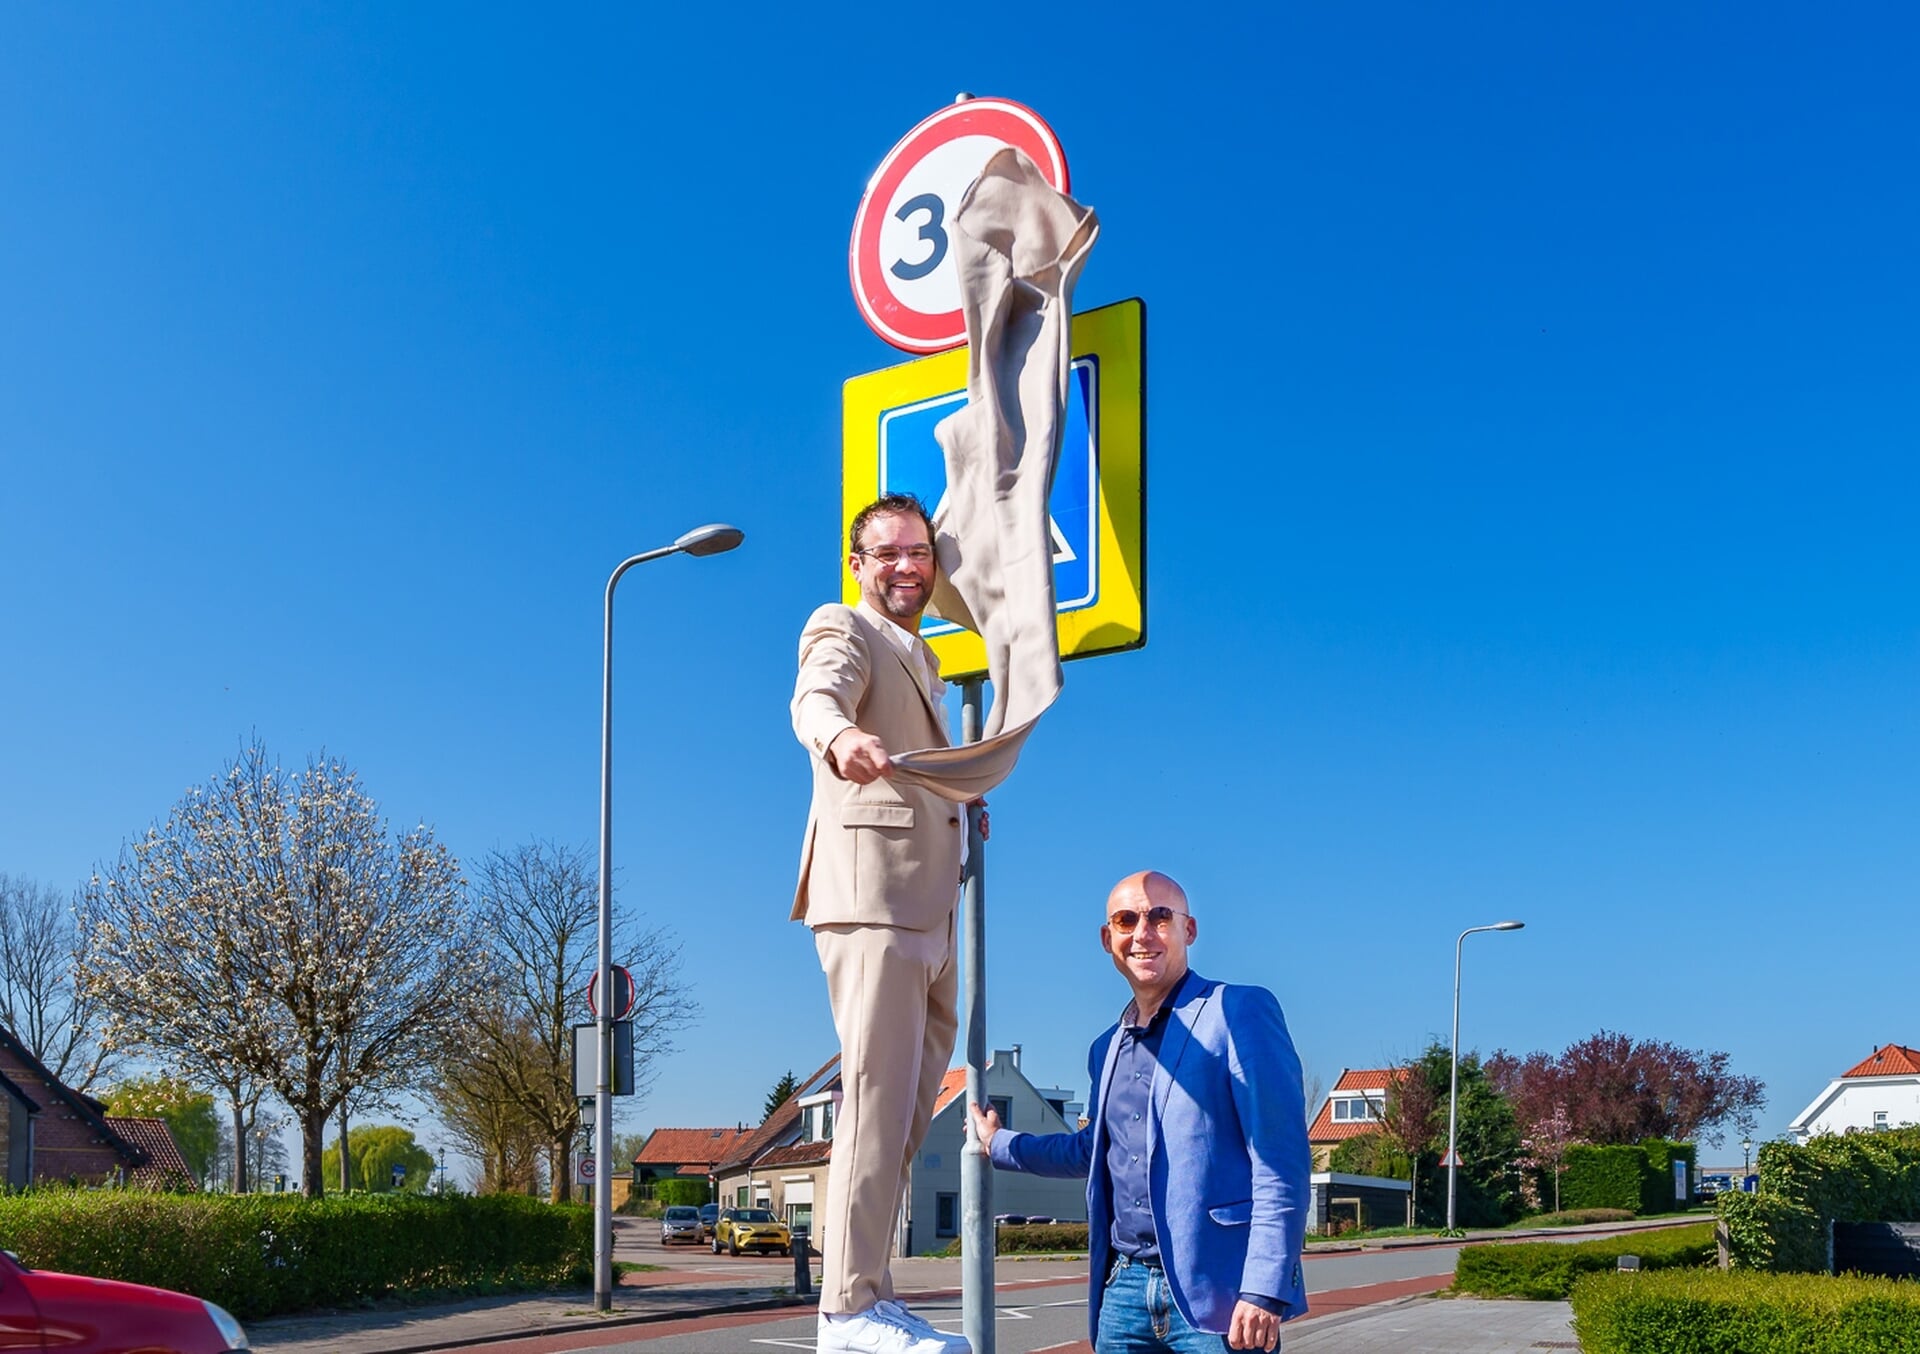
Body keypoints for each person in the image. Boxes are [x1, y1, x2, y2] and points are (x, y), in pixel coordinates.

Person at [969, 871, 1310, 1353]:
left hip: (1221, 1296)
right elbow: (1090, 1151)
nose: (1143, 933)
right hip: (1124, 1293)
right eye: (1127, 920)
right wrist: (998, 1143)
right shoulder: (1105, 1048)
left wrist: (1264, 1288)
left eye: (1160, 916)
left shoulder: (1238, 1011)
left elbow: (1281, 1160)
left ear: (1188, 930)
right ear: (1108, 939)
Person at [791, 492, 981, 1354]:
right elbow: (817, 697)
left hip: (930, 909)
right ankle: (845, 1312)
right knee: (872, 1099)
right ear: (860, 565)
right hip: (872, 900)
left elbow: (922, 768)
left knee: (905, 1113)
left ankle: (871, 1290)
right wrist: (837, 739)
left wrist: (959, 803)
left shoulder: (925, 658)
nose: (908, 567)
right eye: (889, 554)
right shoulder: (844, 626)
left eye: (919, 553)